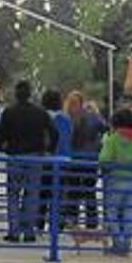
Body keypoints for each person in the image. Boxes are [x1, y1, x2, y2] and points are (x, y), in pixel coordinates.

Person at [0, 81, 57, 243]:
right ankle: (29, 231)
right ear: (30, 94)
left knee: (13, 194)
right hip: (35, 157)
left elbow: (0, 135)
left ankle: (14, 231)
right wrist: (49, 149)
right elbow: (54, 132)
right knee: (32, 194)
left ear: (16, 94)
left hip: (15, 157)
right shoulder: (40, 113)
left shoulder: (9, 112)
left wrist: (2, 147)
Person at [99, 108, 132, 256]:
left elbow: (104, 159)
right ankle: (126, 243)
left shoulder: (113, 139)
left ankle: (118, 241)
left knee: (112, 211)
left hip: (116, 180)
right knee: (129, 212)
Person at [64, 91, 107, 228]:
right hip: (90, 158)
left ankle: (72, 218)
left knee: (73, 190)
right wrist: (98, 143)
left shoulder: (67, 118)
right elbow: (105, 128)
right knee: (89, 190)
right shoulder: (92, 117)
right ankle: (92, 220)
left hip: (73, 158)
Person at [39, 89, 72, 231]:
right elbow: (69, 136)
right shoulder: (65, 119)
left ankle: (38, 223)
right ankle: (56, 225)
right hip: (62, 160)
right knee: (58, 194)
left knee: (42, 192)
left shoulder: (41, 117)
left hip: (44, 159)